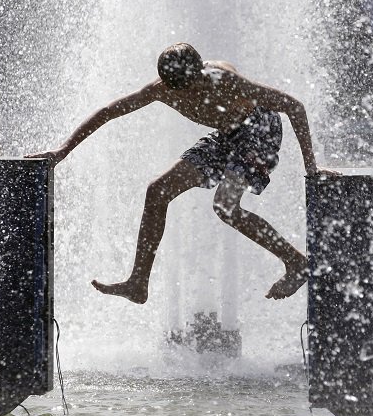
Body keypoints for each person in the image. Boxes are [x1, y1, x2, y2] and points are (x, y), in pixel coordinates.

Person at [27, 42, 334, 304]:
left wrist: (312, 169)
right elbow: (109, 112)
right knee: (157, 191)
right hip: (227, 135)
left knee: (225, 206)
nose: (197, 92)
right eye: (187, 90)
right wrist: (62, 151)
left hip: (259, 130)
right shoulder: (160, 91)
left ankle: (295, 262)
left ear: (201, 70)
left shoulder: (225, 81)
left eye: (199, 83)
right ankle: (138, 283)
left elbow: (293, 106)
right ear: (172, 85)